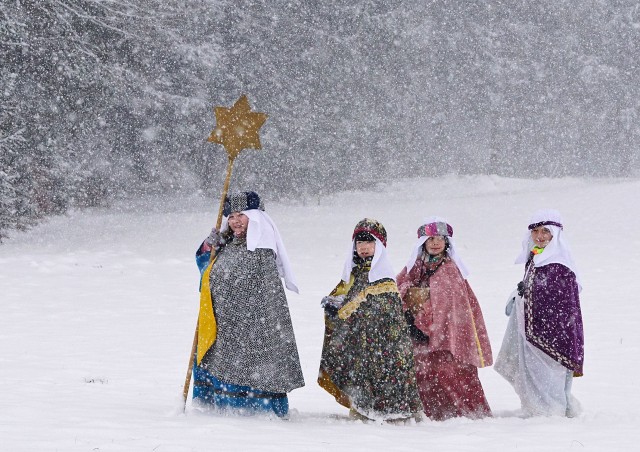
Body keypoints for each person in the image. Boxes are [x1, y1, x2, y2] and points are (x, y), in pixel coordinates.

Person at [192, 191, 304, 418]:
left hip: (255, 324)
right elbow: (207, 271)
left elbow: (256, 283)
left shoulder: (262, 247)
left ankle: (258, 409)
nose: (235, 221)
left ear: (255, 217)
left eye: (241, 215)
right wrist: (209, 248)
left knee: (255, 364)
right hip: (224, 320)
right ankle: (222, 405)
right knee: (223, 360)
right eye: (231, 216)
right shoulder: (226, 243)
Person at [318, 218, 423, 422]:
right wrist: (334, 305)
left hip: (383, 344)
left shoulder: (383, 276)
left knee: (382, 373)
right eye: (359, 243)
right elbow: (349, 298)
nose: (363, 247)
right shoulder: (354, 273)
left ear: (379, 246)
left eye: (369, 242)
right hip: (360, 342)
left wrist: (345, 312)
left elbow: (378, 308)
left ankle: (390, 411)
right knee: (361, 373)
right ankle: (362, 407)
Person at [396, 217, 493, 421]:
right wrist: (408, 312)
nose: (435, 243)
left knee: (450, 372)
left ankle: (463, 412)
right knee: (421, 372)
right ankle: (429, 412)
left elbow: (449, 304)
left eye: (440, 238)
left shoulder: (450, 269)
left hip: (446, 337)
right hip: (417, 334)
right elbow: (399, 285)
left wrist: (428, 324)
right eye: (430, 239)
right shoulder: (415, 266)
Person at [495, 209, 584, 417]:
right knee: (534, 372)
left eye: (545, 231)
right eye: (535, 231)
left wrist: (530, 298)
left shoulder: (560, 264)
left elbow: (561, 300)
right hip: (533, 328)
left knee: (549, 373)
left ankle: (551, 411)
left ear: (555, 234)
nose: (540, 236)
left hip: (553, 333)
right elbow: (533, 288)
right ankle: (536, 408)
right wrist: (519, 296)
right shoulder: (536, 257)